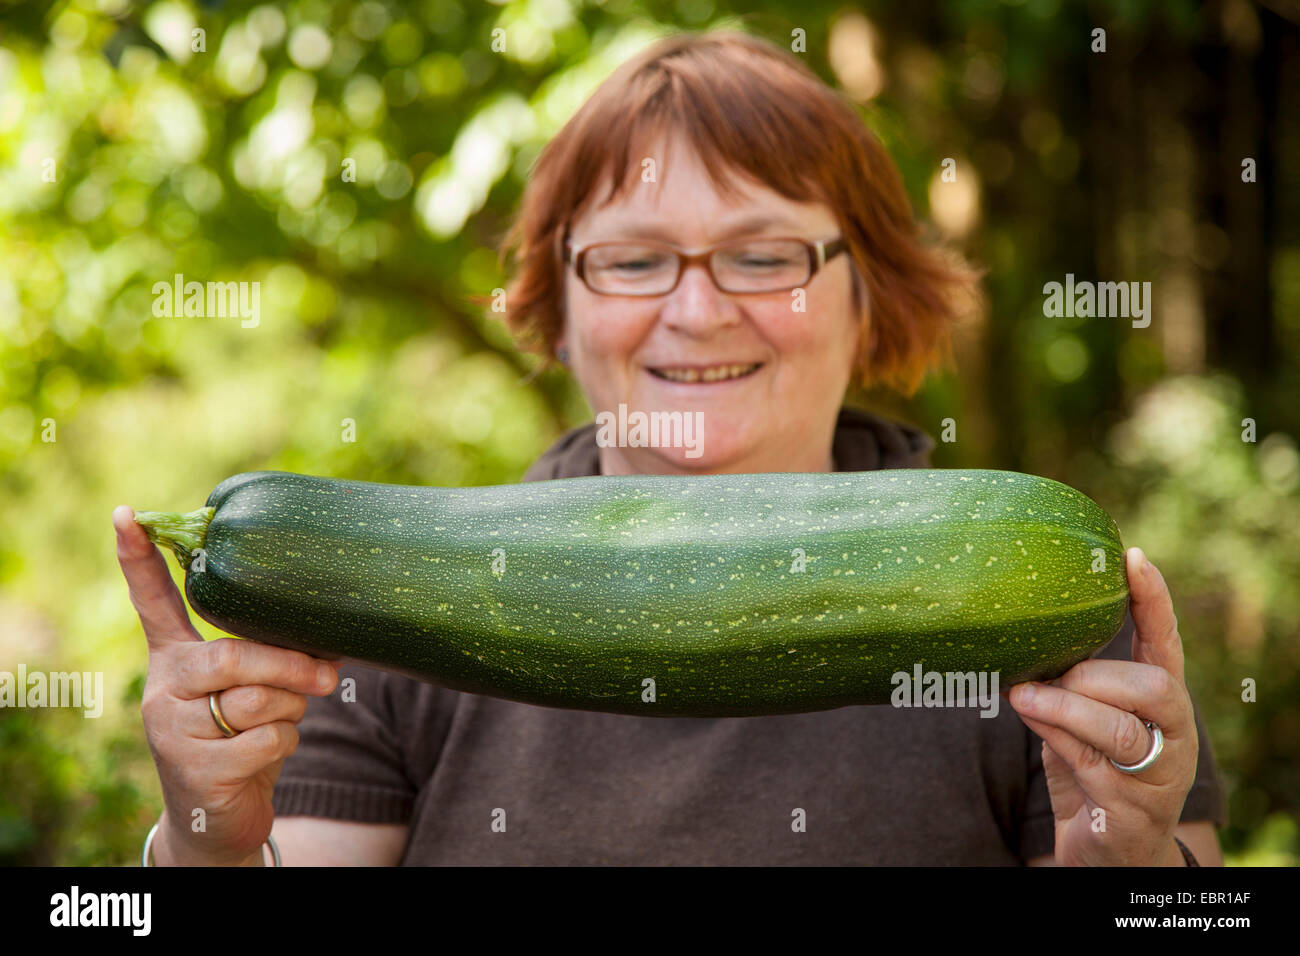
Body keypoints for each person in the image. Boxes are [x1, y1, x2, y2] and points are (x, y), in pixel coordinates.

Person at [114, 30, 1226, 865]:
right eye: (633, 260)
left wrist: (1137, 878)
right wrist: (204, 843)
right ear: (556, 307)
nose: (696, 310)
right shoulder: (365, 608)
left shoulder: (1040, 609)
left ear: (870, 296)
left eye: (763, 254)